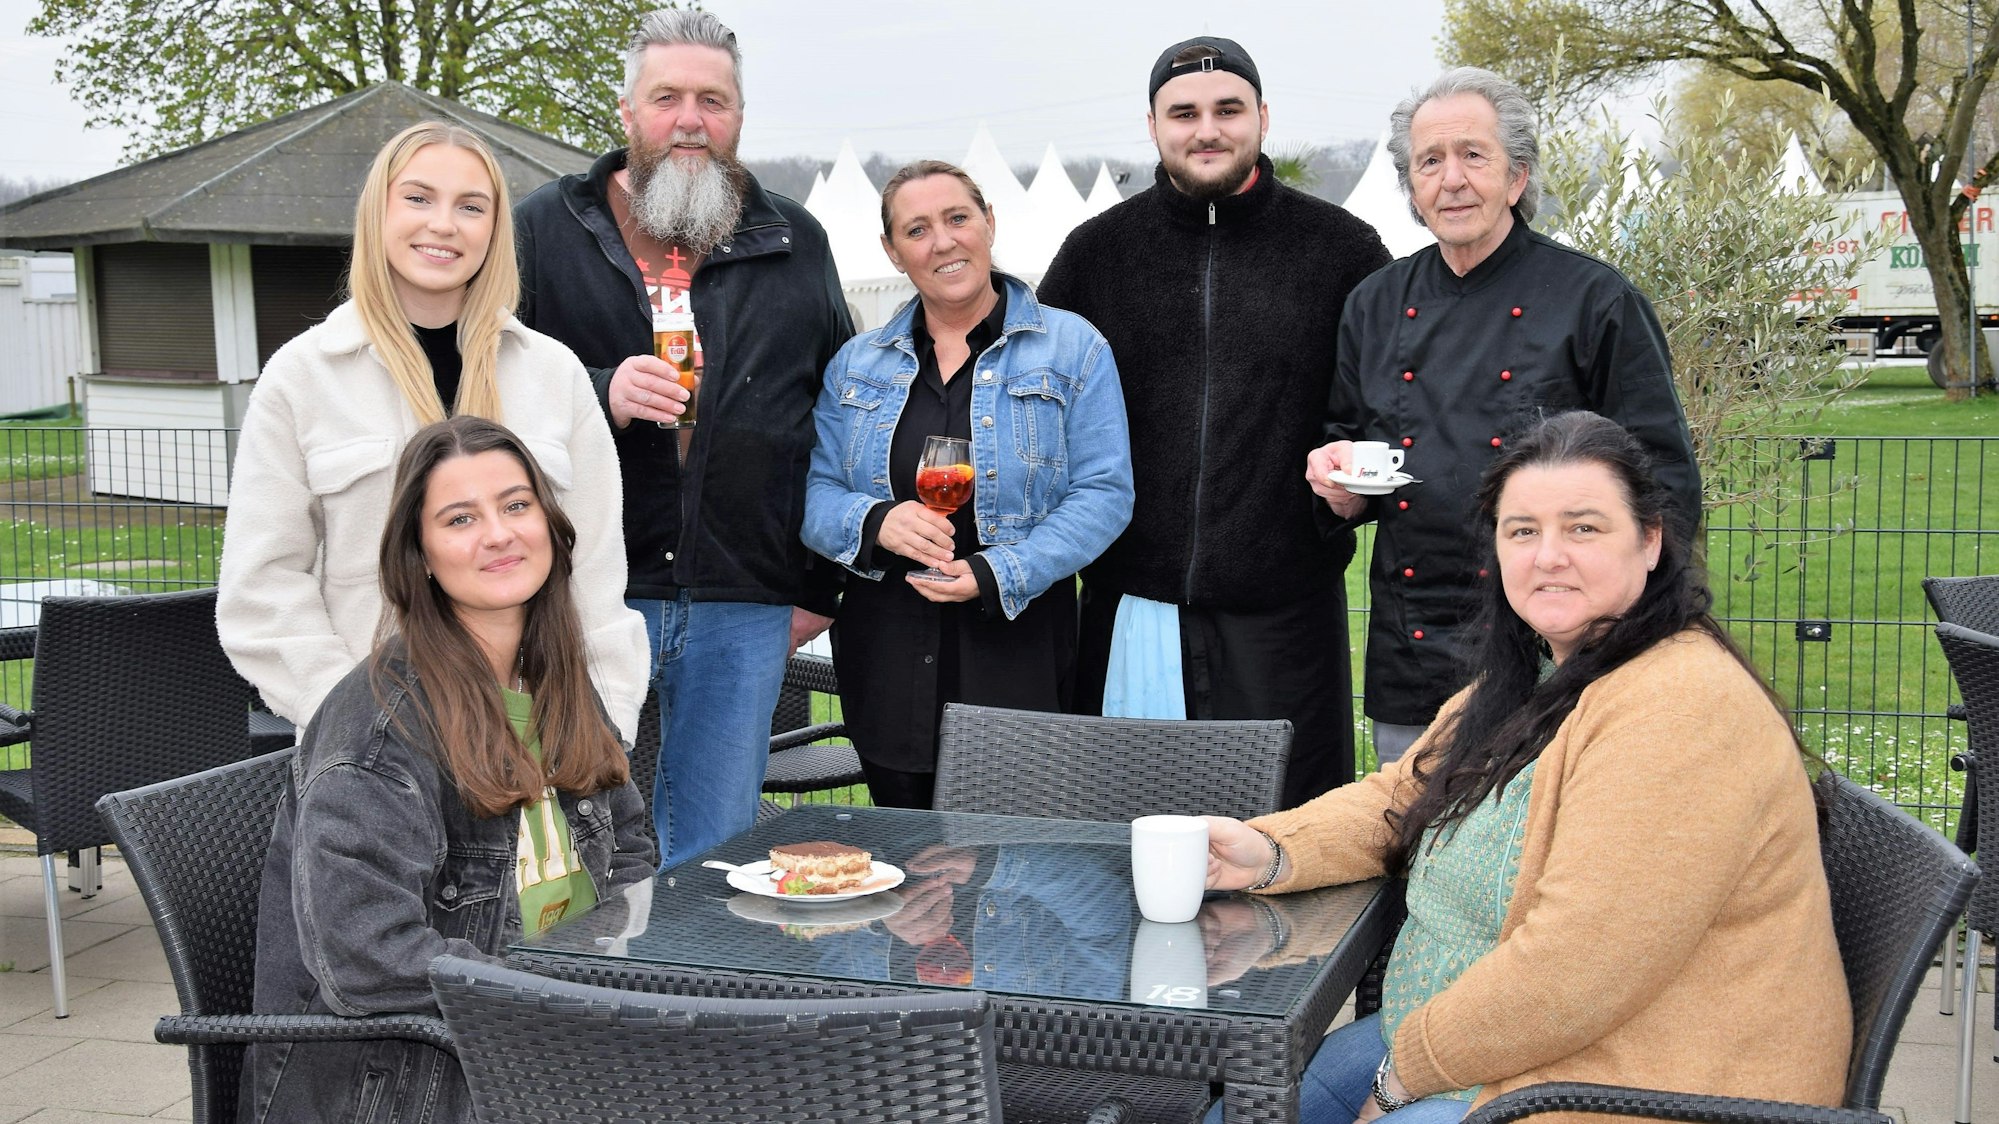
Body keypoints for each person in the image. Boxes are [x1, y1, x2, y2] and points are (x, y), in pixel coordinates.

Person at [1207, 411, 1846, 1124]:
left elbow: (1575, 971)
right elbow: (1403, 793)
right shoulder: (1540, 675)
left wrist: (1398, 1081)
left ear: (1650, 541)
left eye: (1582, 528)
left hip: (1636, 1081)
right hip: (1488, 1050)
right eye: (1522, 531)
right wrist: (1266, 849)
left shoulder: (1680, 705)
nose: (1547, 556)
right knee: (1243, 1106)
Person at [240, 416, 657, 1124]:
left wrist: (603, 987)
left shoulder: (557, 683)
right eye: (460, 518)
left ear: (551, 528)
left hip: (545, 1040)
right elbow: (367, 958)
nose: (498, 533)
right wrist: (556, 996)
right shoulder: (377, 732)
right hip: (405, 1084)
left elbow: (630, 854)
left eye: (516, 505)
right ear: (421, 555)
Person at [514, 9, 854, 865]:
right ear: (626, 112)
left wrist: (820, 586)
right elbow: (484, 388)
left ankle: (692, 997)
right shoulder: (541, 229)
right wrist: (597, 390)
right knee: (571, 840)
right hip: (583, 593)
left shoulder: (795, 240)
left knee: (715, 846)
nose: (690, 119)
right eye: (666, 97)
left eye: (714, 99)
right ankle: (572, 998)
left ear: (739, 117)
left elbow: (837, 417)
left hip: (744, 599)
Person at [1308, 67, 1700, 766]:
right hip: (1413, 642)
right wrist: (1335, 483)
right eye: (1429, 161)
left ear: (1517, 178)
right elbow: (1349, 437)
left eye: (1472, 155)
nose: (1450, 179)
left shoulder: (1593, 299)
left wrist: (1638, 627)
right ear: (1410, 188)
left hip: (1558, 641)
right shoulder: (1372, 303)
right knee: (1409, 837)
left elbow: (1662, 475)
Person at [1037, 36, 1390, 806]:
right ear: (1154, 125)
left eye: (1227, 110)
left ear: (1261, 118)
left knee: (1290, 848)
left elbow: (1378, 412)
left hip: (1284, 614)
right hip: (1131, 608)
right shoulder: (1095, 254)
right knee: (1124, 853)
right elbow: (1034, 410)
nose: (1207, 129)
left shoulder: (1342, 250)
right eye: (1184, 113)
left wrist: (1348, 490)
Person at [216, 121, 647, 747]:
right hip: (381, 757)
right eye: (418, 198)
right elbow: (263, 590)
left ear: (495, 228)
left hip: (541, 740)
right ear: (377, 212)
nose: (444, 225)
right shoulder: (303, 379)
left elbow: (596, 576)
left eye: (471, 206)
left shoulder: (554, 376)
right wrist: (362, 725)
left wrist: (600, 729)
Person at [802, 160, 1133, 808]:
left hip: (1015, 658)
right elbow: (814, 492)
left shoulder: (1073, 348)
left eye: (957, 218)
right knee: (905, 881)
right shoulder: (856, 363)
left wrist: (997, 571)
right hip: (886, 658)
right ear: (892, 253)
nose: (943, 241)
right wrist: (875, 523)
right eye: (917, 229)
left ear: (989, 223)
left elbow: (1104, 493)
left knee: (1011, 880)